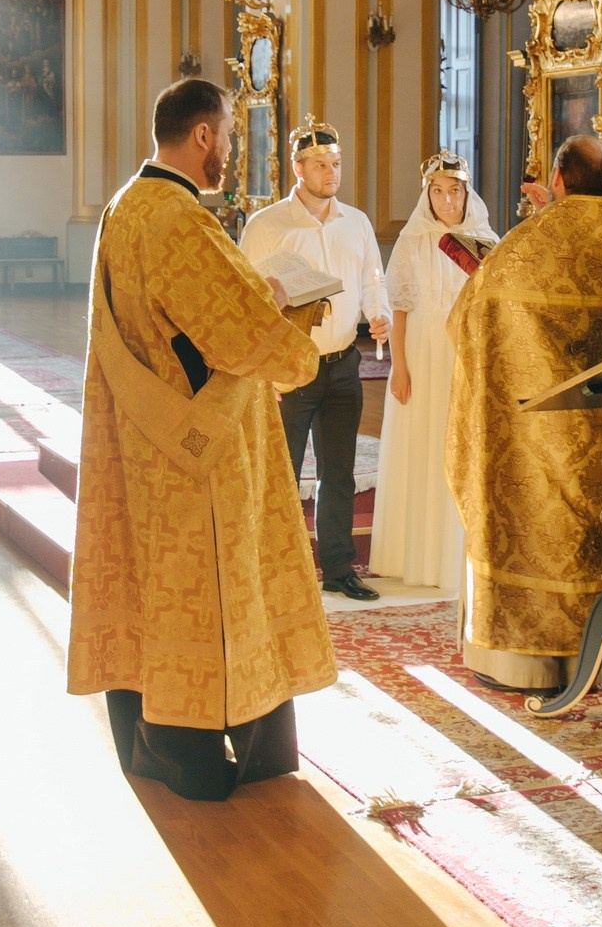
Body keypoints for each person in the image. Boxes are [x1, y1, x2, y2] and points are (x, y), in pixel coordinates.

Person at [67, 78, 335, 801]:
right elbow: (241, 333)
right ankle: (193, 753)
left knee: (154, 590)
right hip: (200, 455)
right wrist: (297, 343)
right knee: (213, 591)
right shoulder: (179, 218)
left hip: (143, 440)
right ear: (205, 136)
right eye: (227, 136)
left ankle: (149, 738)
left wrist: (256, 293)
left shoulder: (126, 207)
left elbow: (181, 315)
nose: (229, 152)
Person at [446, 134, 602, 694]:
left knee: (527, 532)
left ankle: (517, 663)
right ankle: (582, 657)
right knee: (577, 539)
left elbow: (480, 304)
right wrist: (544, 222)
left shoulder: (543, 236)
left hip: (526, 428)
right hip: (596, 428)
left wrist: (535, 227)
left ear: (559, 178)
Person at [239, 115, 392, 601]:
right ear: (298, 168)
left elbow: (373, 280)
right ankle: (274, 570)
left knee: (338, 473)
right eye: (321, 164)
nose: (332, 172)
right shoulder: (267, 226)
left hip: (345, 362)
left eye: (337, 164)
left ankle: (340, 569)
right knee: (280, 473)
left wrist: (380, 315)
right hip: (289, 368)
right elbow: (246, 294)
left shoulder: (358, 222)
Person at [370, 151, 499, 592]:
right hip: (423, 350)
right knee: (424, 441)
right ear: (428, 196)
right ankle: (416, 555)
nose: (447, 201)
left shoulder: (486, 241)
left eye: (455, 191)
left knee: (462, 446)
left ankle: (458, 553)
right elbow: (401, 307)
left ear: (467, 194)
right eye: (439, 192)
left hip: (465, 353)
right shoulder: (413, 240)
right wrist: (399, 366)